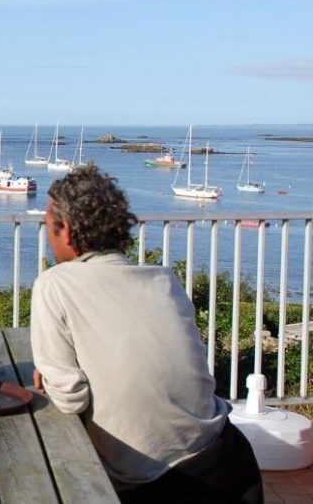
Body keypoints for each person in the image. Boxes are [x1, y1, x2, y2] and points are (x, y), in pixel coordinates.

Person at [31, 163, 263, 503]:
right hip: (229, 460)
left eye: (47, 229)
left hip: (154, 483)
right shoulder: (163, 279)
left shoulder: (54, 285)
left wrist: (51, 379)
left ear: (65, 231)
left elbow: (70, 397)